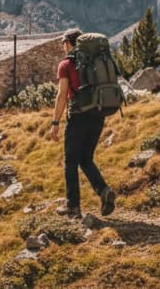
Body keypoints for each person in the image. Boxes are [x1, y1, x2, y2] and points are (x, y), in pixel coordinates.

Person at [47, 28, 116, 218]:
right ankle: (103, 191)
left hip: (78, 116)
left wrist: (55, 122)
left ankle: (73, 206)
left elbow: (62, 95)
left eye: (63, 44)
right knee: (86, 159)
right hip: (98, 114)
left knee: (70, 161)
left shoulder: (66, 64)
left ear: (68, 43)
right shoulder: (97, 60)